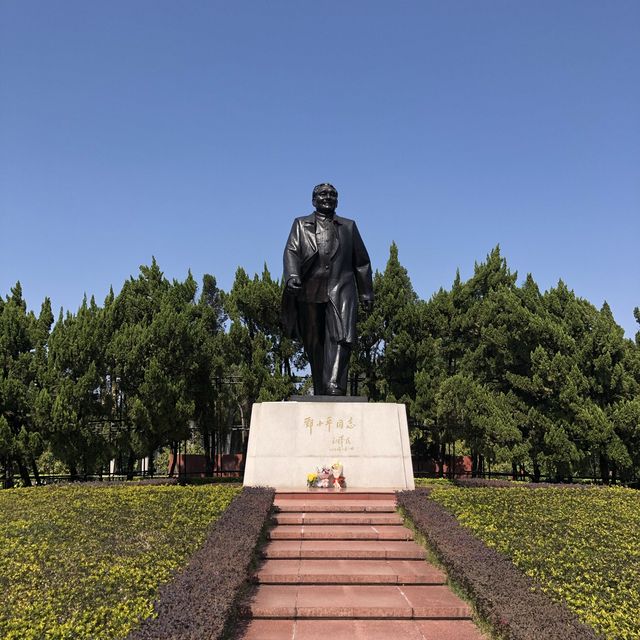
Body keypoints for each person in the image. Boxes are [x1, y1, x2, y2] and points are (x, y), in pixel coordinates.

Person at [281, 183, 374, 395]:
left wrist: (366, 292)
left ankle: (334, 384)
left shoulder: (349, 226)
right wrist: (293, 276)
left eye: (332, 194)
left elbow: (361, 262)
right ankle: (321, 385)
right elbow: (292, 251)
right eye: (323, 194)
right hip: (309, 288)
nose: (328, 197)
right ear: (313, 199)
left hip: (341, 286)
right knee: (314, 341)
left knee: (343, 335)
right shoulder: (300, 224)